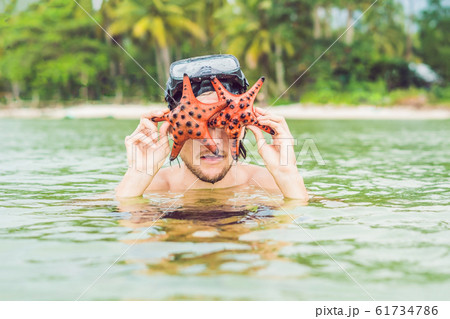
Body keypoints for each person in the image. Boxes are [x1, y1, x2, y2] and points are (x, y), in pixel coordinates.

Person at [115, 54, 308, 200]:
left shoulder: (271, 186)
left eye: (224, 123)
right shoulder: (146, 189)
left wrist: (288, 175)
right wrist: (136, 176)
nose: (212, 142)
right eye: (197, 126)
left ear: (243, 127)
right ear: (172, 129)